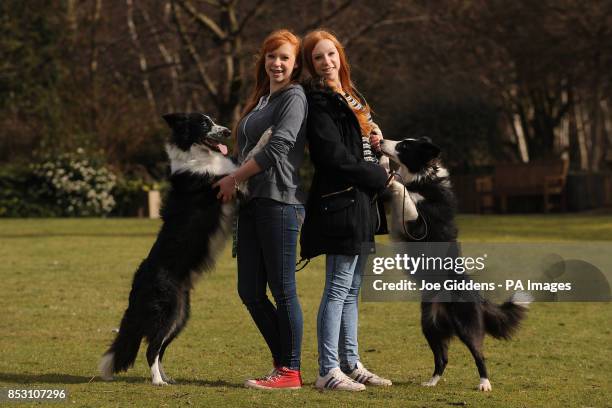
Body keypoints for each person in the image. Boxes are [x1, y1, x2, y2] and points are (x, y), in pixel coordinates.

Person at [300, 29, 393, 391]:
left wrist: (377, 141)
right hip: (340, 199)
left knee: (353, 287)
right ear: (310, 64)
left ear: (341, 55)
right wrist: (375, 175)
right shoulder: (319, 101)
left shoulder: (354, 97)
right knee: (338, 286)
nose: (326, 62)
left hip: (365, 201)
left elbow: (364, 140)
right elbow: (331, 156)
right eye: (318, 58)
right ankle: (328, 370)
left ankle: (351, 363)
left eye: (331, 54)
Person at [214, 29, 307, 390]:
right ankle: (283, 362)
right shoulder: (263, 100)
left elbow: (280, 146)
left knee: (283, 290)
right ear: (263, 60)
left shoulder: (294, 97)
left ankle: (291, 371)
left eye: (284, 57)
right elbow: (250, 150)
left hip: (280, 202)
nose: (277, 63)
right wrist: (225, 163)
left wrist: (234, 177)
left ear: (295, 64)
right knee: (250, 291)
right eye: (272, 56)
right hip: (252, 204)